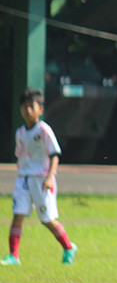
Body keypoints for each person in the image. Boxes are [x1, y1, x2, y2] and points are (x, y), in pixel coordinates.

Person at [2, 89, 78, 266]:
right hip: (24, 179)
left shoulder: (44, 131)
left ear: (40, 109)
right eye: (24, 107)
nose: (28, 111)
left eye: (31, 107)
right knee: (18, 215)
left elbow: (54, 155)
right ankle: (14, 256)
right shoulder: (20, 132)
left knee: (47, 220)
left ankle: (68, 247)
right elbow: (20, 155)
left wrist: (50, 177)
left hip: (42, 180)